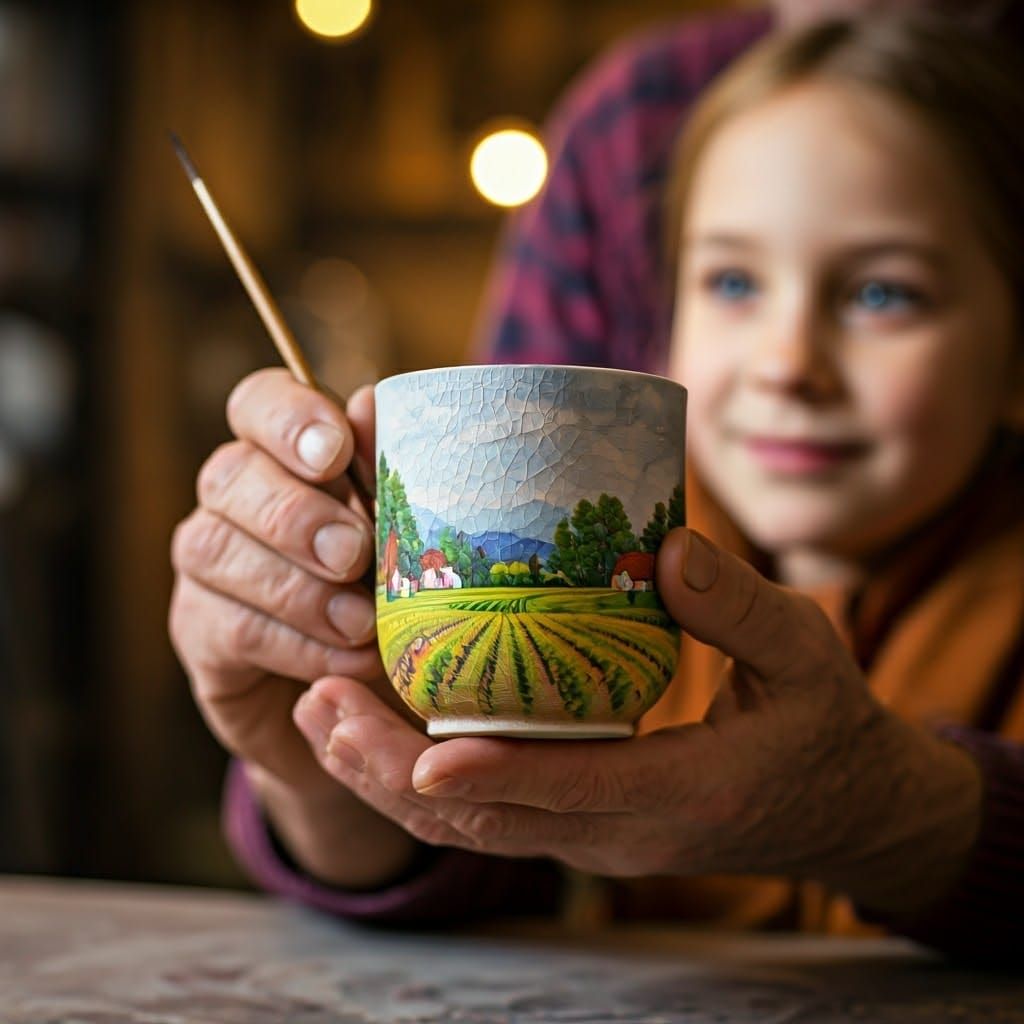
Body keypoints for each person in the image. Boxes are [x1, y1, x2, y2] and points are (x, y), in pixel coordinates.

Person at [169, 11, 1024, 962]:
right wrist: (331, 781)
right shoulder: (645, 563)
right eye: (733, 283)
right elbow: (504, 874)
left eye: (882, 294)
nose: (787, 363)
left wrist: (904, 815)